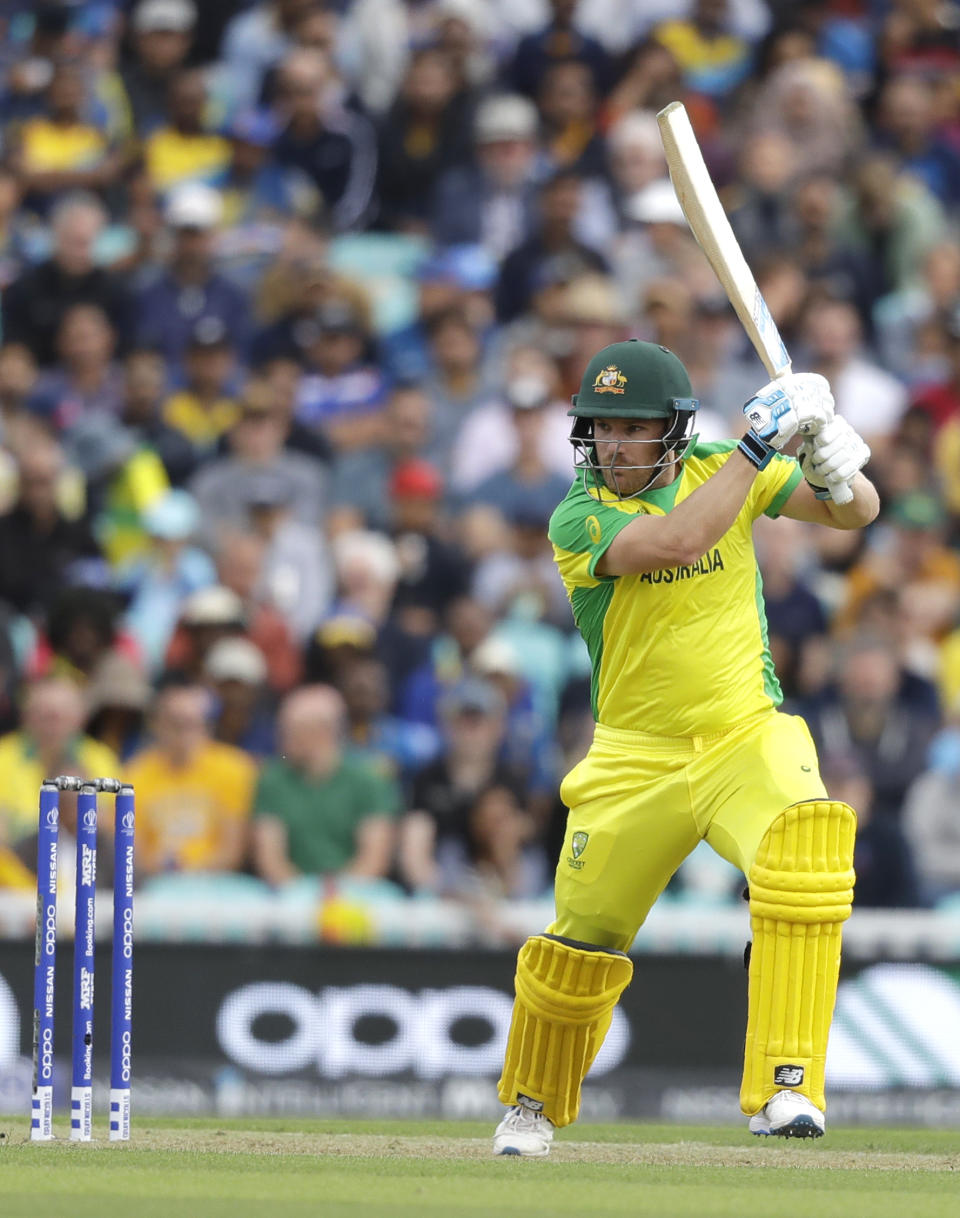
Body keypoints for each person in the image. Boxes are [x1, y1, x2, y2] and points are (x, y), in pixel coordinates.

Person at [491, 338, 879, 1157]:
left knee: (806, 851)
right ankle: (532, 1102)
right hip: (635, 754)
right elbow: (676, 544)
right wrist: (760, 445)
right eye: (597, 429)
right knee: (582, 937)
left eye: (630, 430)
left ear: (673, 430)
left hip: (746, 732)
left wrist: (835, 462)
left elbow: (853, 518)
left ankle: (787, 1087)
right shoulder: (580, 514)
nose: (609, 447)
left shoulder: (722, 467)